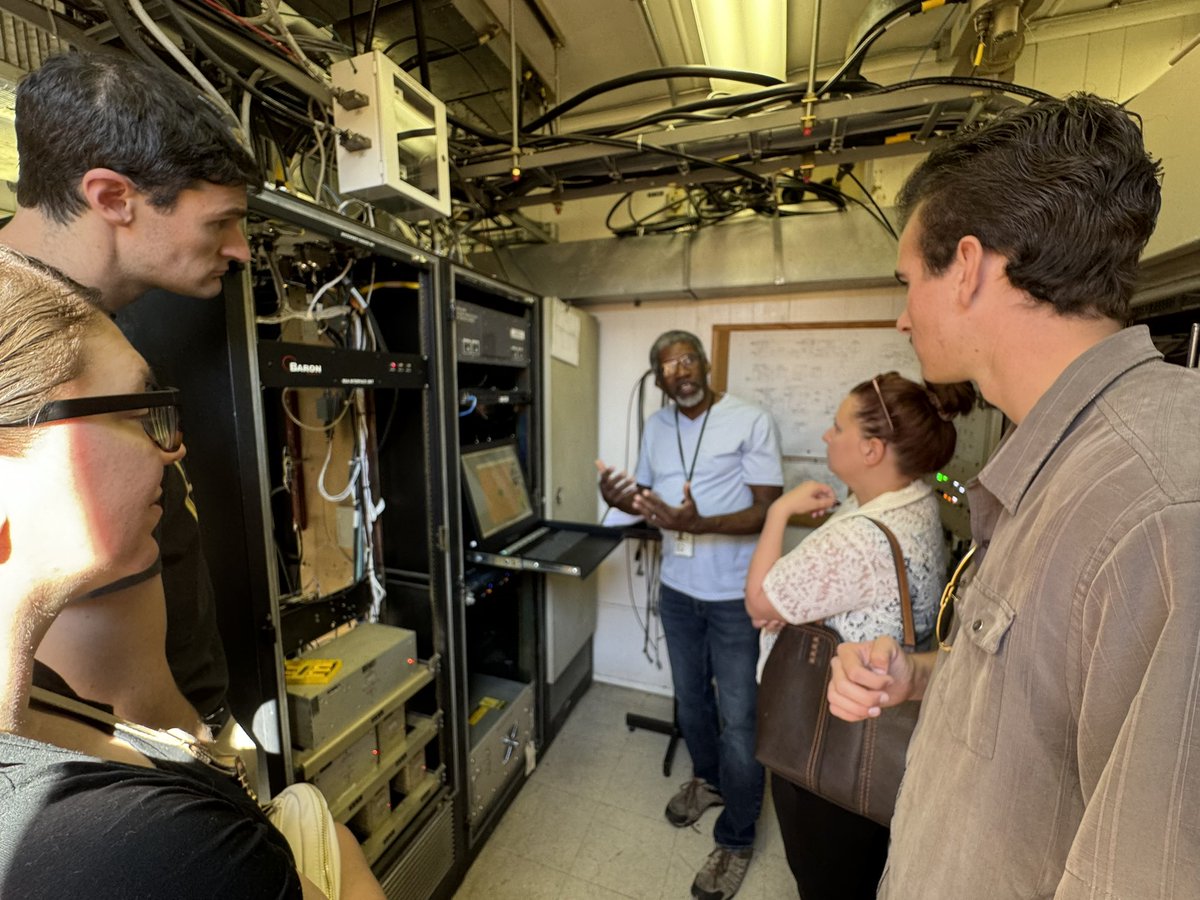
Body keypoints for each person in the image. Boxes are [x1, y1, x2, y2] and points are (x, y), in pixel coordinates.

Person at [827, 94, 1200, 898]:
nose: (900, 317)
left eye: (906, 281)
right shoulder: (1062, 456)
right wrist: (919, 676)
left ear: (965, 268)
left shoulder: (1163, 508)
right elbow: (1042, 693)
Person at [0, 253, 384, 899]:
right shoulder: (141, 847)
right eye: (137, 408)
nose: (172, 446)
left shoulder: (42, 698)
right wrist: (335, 858)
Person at [0, 51, 259, 734]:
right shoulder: (31, 358)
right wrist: (209, 778)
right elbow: (103, 672)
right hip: (140, 754)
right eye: (221, 222)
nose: (241, 250)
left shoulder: (106, 324)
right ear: (112, 197)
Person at [743, 373, 973, 899]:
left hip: (829, 743)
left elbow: (759, 603)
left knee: (827, 877)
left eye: (837, 426)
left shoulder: (857, 537)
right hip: (884, 740)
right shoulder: (920, 494)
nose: (827, 436)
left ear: (871, 449)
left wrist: (779, 511)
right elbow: (951, 488)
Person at [597, 330, 783, 900]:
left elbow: (766, 509)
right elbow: (650, 499)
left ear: (703, 364)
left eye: (687, 358)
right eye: (667, 365)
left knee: (739, 714)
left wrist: (699, 525)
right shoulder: (656, 427)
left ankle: (736, 837)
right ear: (658, 380)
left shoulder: (750, 419)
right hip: (677, 590)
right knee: (690, 699)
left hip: (732, 594)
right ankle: (709, 781)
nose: (680, 370)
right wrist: (620, 498)